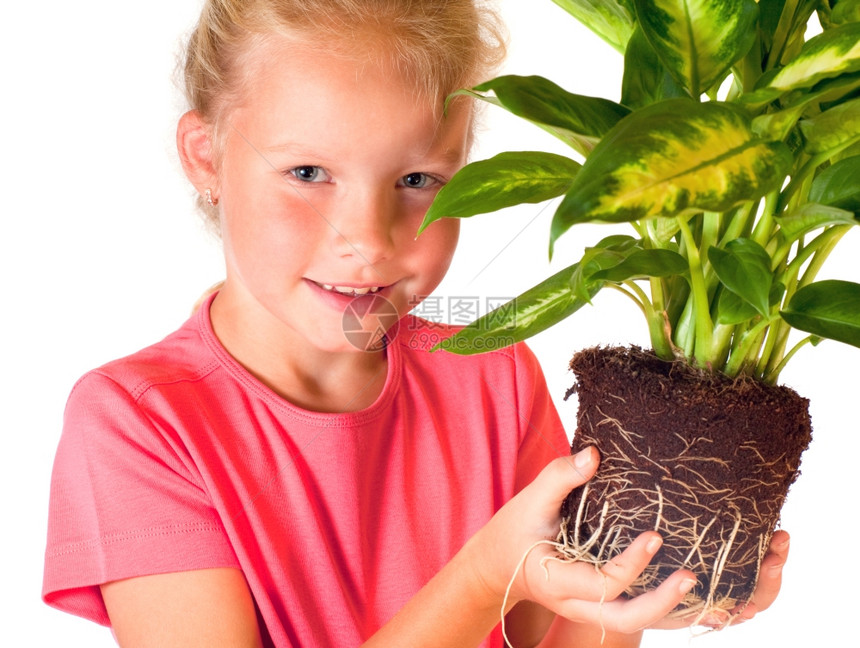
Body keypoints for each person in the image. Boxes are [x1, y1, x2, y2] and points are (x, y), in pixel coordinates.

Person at [41, 1, 789, 646]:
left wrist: (641, 593)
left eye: (416, 180)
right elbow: (500, 574)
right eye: (308, 173)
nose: (367, 238)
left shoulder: (491, 370)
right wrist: (487, 576)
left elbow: (564, 636)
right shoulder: (141, 422)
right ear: (205, 157)